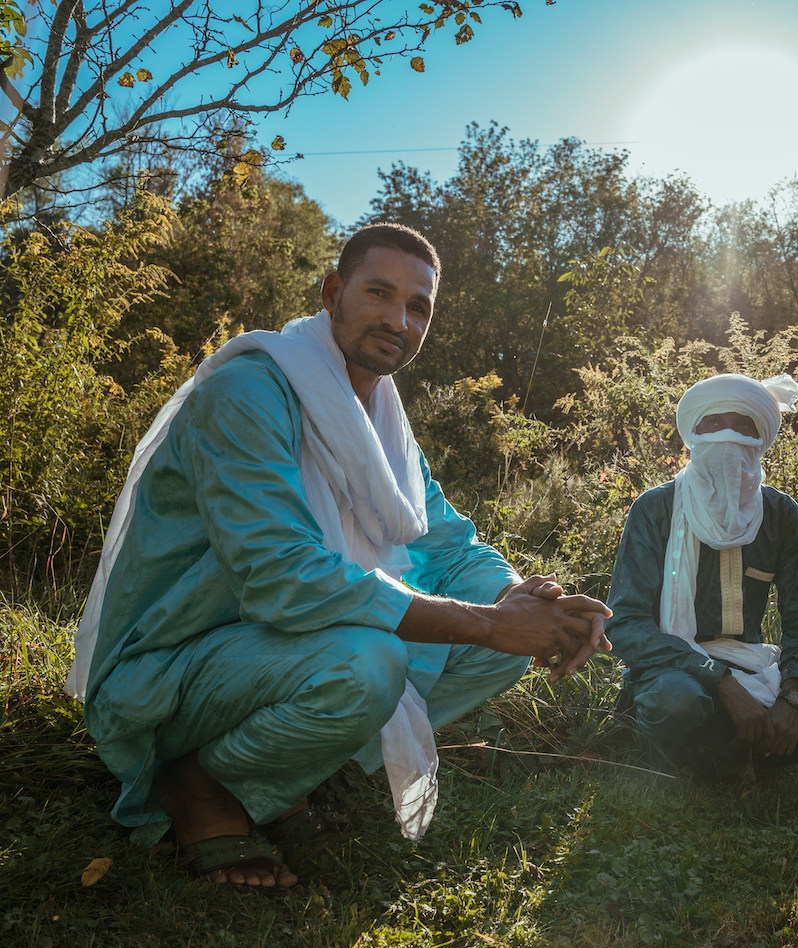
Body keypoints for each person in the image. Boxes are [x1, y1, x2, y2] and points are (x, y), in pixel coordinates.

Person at [66, 224, 611, 893]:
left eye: (418, 307)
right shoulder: (248, 391)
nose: (398, 320)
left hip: (279, 656)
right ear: (332, 293)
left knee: (492, 648)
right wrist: (490, 623)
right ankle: (196, 782)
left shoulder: (377, 415)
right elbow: (282, 577)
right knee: (370, 663)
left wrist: (523, 604)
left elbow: (445, 540)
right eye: (379, 293)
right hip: (173, 663)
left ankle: (279, 774)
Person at [605, 372, 798, 781]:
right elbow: (625, 624)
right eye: (714, 423)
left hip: (754, 667)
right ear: (694, 434)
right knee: (676, 701)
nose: (728, 436)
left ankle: (738, 748)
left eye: (743, 425)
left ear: (761, 439)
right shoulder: (656, 509)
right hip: (672, 669)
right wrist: (720, 680)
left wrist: (791, 698)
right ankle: (722, 751)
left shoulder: (780, 515)